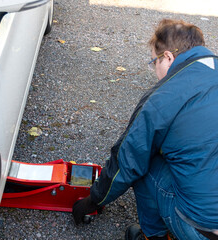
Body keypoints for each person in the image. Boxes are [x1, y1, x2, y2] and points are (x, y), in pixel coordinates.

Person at [72, 19, 218, 240]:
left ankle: (154, 236)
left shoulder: (164, 96)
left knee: (145, 160)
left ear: (167, 57)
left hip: (203, 230)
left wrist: (91, 201)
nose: (154, 70)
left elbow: (128, 162)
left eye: (154, 62)